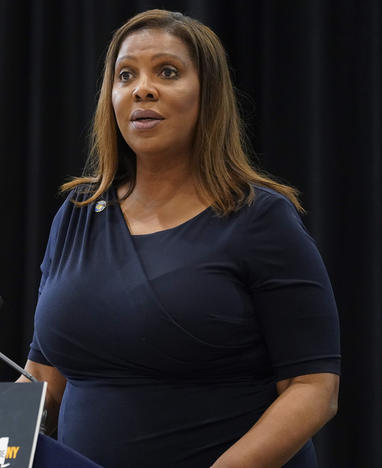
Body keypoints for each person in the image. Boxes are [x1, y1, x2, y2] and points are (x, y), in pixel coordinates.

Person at [17, 9, 340, 468]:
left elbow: (313, 390)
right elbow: (43, 377)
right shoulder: (78, 214)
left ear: (207, 95)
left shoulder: (260, 219)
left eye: (167, 72)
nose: (142, 88)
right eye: (125, 75)